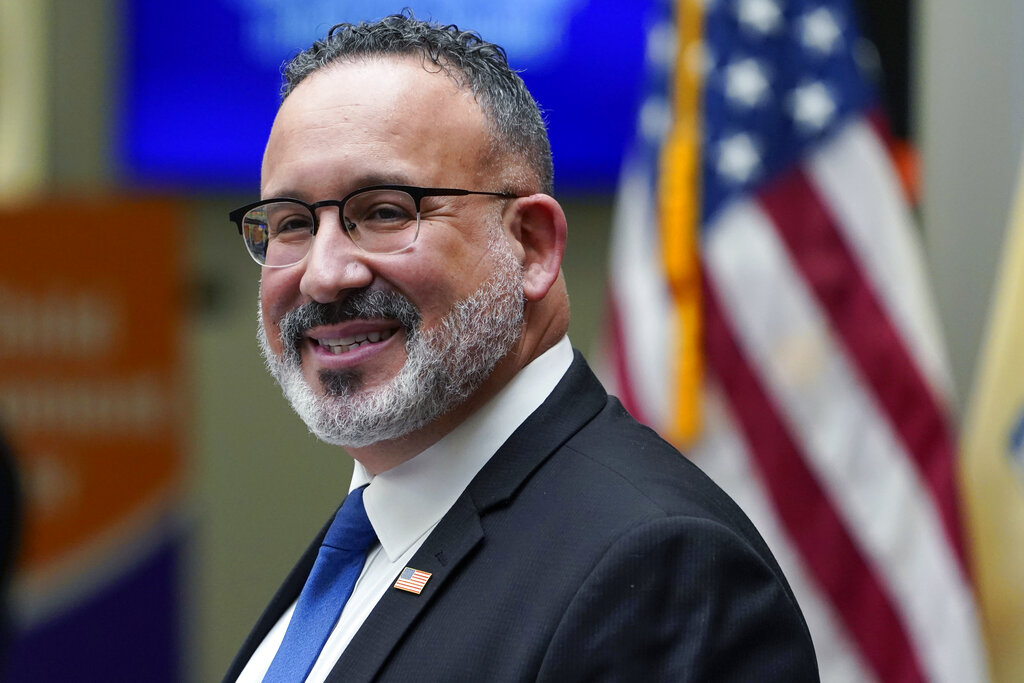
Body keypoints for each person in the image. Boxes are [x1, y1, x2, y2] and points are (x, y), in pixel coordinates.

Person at [224, 13, 818, 682]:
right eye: (292, 224)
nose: (324, 274)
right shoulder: (370, 536)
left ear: (531, 246)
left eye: (385, 211)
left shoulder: (658, 569)